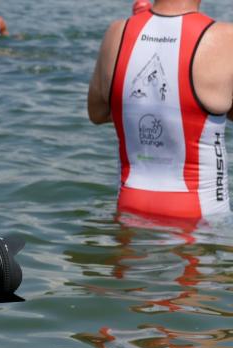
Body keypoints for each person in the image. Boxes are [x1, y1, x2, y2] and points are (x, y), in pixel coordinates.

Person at [87, 0, 233, 220]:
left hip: (129, 206)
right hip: (199, 214)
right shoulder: (225, 38)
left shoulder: (117, 32)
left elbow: (97, 113)